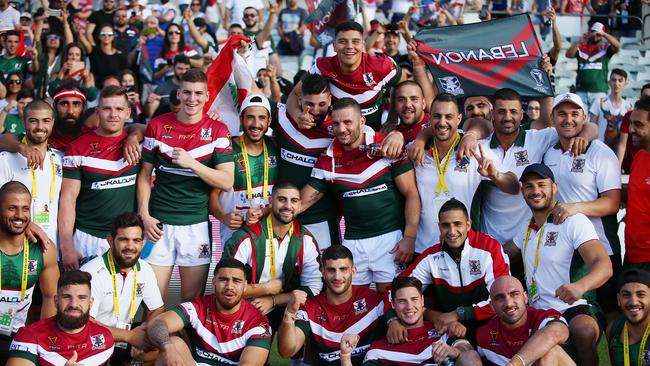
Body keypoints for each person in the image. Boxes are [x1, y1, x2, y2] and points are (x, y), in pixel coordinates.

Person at [300, 98, 420, 293]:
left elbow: (411, 193)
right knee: (353, 304)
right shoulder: (327, 158)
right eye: (336, 123)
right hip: (353, 242)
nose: (341, 129)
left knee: (391, 300)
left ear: (362, 121)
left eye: (348, 122)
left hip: (391, 239)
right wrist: (265, 211)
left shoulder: (387, 146)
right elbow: (302, 201)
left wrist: (410, 236)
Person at [138, 69, 234, 302]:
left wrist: (192, 164)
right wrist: (145, 215)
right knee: (154, 302)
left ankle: (186, 339)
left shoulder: (218, 131)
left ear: (206, 96)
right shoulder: (158, 126)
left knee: (192, 304)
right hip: (158, 226)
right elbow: (144, 175)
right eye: (188, 93)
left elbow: (226, 180)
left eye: (198, 93)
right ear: (178, 94)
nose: (193, 99)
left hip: (196, 226)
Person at [504, 163, 613, 366]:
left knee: (584, 329)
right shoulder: (526, 228)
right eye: (529, 186)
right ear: (522, 191)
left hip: (573, 306)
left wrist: (580, 287)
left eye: (541, 185)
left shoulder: (574, 221)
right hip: (537, 310)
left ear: (554, 187)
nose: (535, 191)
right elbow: (500, 254)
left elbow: (604, 266)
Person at [543, 92, 622, 324]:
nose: (568, 119)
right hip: (565, 249)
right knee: (573, 311)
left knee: (610, 312)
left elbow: (612, 202)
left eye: (575, 114)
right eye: (562, 114)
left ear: (585, 117)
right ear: (552, 117)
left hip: (601, 247)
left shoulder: (600, 152)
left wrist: (575, 207)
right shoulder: (549, 151)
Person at [414, 93, 519, 254]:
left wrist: (494, 175)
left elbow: (513, 186)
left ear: (459, 119)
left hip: (463, 249)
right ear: (429, 119)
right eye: (437, 116)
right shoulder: (416, 150)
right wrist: (397, 135)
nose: (442, 123)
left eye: (449, 117)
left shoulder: (475, 150)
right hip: (422, 248)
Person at [396, 198, 510, 344]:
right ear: (439, 228)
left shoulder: (489, 247)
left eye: (457, 224)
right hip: (452, 330)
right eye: (445, 225)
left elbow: (502, 300)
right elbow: (395, 289)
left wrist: (459, 313)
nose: (452, 231)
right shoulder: (431, 256)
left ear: (468, 225)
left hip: (491, 325)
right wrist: (393, 320)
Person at [59, 85, 139, 269]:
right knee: (82, 296)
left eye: (119, 109)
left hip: (126, 239)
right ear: (97, 111)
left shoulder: (138, 143)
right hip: (86, 237)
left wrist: (134, 136)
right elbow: (68, 199)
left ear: (128, 113)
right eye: (107, 108)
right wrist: (67, 247)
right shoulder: (77, 148)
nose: (113, 114)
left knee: (123, 297)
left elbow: (148, 127)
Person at [225, 181, 321, 328]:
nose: (288, 206)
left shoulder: (305, 239)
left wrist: (273, 300)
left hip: (284, 303)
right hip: (247, 303)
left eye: (294, 201)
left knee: (309, 315)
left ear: (300, 205)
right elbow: (225, 285)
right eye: (282, 199)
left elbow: (314, 286)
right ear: (270, 201)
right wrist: (266, 288)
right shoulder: (246, 237)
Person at [146, 257, 272, 365]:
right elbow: (157, 323)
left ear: (245, 286)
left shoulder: (257, 321)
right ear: (214, 282)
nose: (229, 287)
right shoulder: (198, 306)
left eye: (236, 281)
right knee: (173, 344)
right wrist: (167, 347)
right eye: (223, 279)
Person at [277, 245, 387, 365]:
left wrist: (394, 320)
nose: (337, 277)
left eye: (343, 269)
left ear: (353, 271)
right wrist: (289, 313)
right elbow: (286, 352)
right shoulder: (310, 308)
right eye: (331, 270)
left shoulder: (373, 300)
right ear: (322, 272)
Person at [80, 212, 164, 364]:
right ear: (111, 241)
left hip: (126, 339)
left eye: (136, 240)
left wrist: (145, 332)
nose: (130, 246)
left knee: (169, 346)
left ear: (143, 243)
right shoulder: (91, 272)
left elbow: (156, 309)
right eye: (124, 240)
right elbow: (85, 324)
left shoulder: (145, 269)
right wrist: (130, 337)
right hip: (93, 340)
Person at [292, 21, 406, 131]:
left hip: (371, 138)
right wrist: (298, 117)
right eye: (342, 41)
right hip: (336, 136)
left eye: (355, 41)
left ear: (363, 45)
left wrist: (392, 119)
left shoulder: (381, 65)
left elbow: (404, 86)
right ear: (334, 46)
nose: (349, 46)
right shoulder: (323, 66)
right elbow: (295, 94)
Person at [342, 276, 479, 366]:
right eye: (402, 301)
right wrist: (345, 356)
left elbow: (468, 352)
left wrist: (454, 352)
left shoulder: (443, 330)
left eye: (414, 300)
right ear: (393, 305)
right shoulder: (379, 350)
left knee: (470, 357)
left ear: (422, 300)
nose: (409, 307)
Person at [0, 182, 59, 364]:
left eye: (25, 209)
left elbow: (52, 298)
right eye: (12, 208)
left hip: (18, 336)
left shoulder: (43, 249)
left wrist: (45, 344)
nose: (19, 215)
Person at [7, 270, 114, 365]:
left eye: (81, 298)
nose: (74, 304)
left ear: (90, 303)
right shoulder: (29, 336)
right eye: (67, 297)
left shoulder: (105, 339)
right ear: (56, 301)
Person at [210, 94, 278, 244]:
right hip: (233, 233)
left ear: (269, 121)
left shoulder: (277, 146)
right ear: (241, 119)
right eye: (250, 117)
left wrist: (266, 211)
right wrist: (223, 216)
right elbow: (213, 195)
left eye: (261, 117)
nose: (256, 124)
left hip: (269, 231)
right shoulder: (227, 149)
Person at [0, 100, 63, 249]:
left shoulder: (60, 158)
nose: (40, 127)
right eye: (33, 121)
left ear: (53, 122)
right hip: (17, 245)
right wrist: (26, 223)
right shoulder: (6, 159)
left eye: (46, 121)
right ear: (23, 122)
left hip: (52, 246)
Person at [476, 276, 574, 366]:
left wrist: (515, 363)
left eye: (514, 294)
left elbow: (557, 332)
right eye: (500, 298)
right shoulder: (484, 334)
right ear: (492, 306)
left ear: (525, 297)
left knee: (549, 352)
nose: (508, 304)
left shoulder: (542, 317)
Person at [566, 22, 621, 108]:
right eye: (593, 32)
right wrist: (579, 41)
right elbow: (568, 55)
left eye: (598, 34)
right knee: (581, 119)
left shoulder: (605, 48)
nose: (595, 36)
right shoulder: (581, 47)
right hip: (581, 90)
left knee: (597, 120)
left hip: (599, 91)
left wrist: (604, 34)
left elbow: (617, 45)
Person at [624, 96, 650, 269]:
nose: (631, 129)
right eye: (631, 123)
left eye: (639, 125)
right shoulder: (639, 157)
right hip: (631, 255)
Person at [607, 268, 650, 366]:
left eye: (641, 295)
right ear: (618, 299)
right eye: (626, 295)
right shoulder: (614, 329)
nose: (633, 302)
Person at [589, 68, 633, 151]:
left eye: (620, 80)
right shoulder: (599, 102)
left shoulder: (628, 107)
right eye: (614, 80)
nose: (616, 83)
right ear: (609, 82)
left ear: (626, 83)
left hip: (618, 149)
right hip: (599, 148)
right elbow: (591, 126)